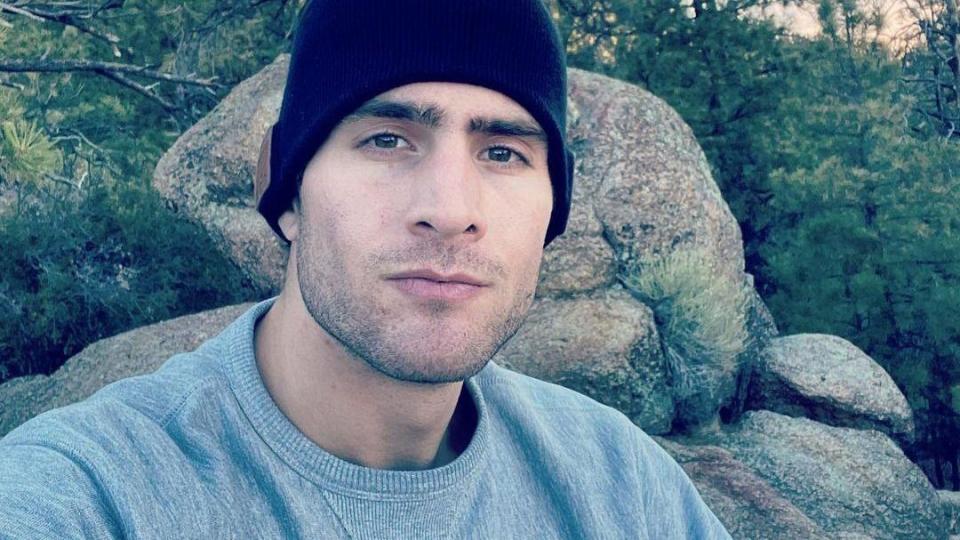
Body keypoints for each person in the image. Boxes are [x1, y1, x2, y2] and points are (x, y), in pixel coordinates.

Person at [0, 0, 731, 538]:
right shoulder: (93, 493)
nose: (450, 209)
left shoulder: (625, 491)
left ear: (551, 215)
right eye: (387, 139)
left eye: (504, 152)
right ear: (288, 196)